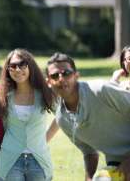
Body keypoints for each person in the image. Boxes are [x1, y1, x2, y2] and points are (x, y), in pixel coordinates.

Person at [46, 52, 130, 181]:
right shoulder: (62, 119)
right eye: (55, 75)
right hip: (118, 168)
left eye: (66, 73)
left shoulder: (101, 90)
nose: (61, 79)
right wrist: (89, 178)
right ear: (49, 82)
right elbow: (89, 151)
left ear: (76, 76)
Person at [0, 49, 58, 181]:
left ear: (30, 66)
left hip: (39, 161)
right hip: (10, 161)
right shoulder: (4, 97)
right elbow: (3, 125)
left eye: (22, 64)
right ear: (8, 70)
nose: (17, 69)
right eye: (12, 66)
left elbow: (63, 115)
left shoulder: (45, 94)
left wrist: (45, 138)